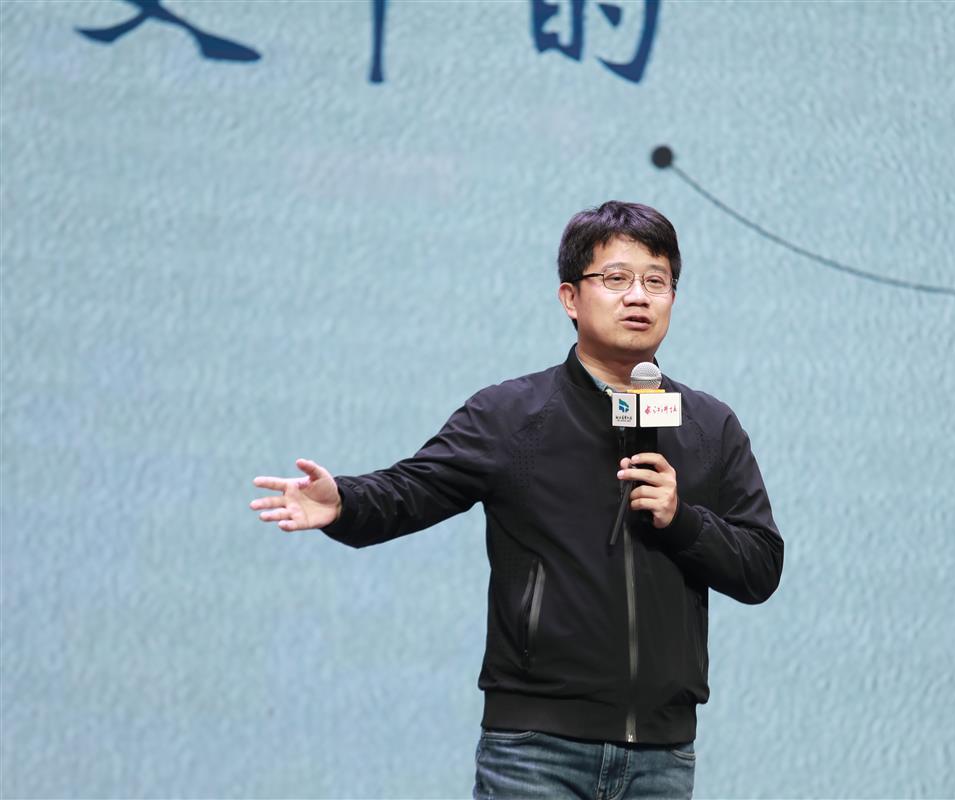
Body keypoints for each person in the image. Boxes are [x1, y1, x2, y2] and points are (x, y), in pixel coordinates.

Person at [250, 201, 784, 799]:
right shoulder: (511, 415)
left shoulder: (709, 425)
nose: (638, 296)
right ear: (570, 298)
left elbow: (760, 566)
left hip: (662, 758)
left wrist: (681, 520)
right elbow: (411, 490)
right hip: (536, 750)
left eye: (656, 281)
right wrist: (343, 502)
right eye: (616, 278)